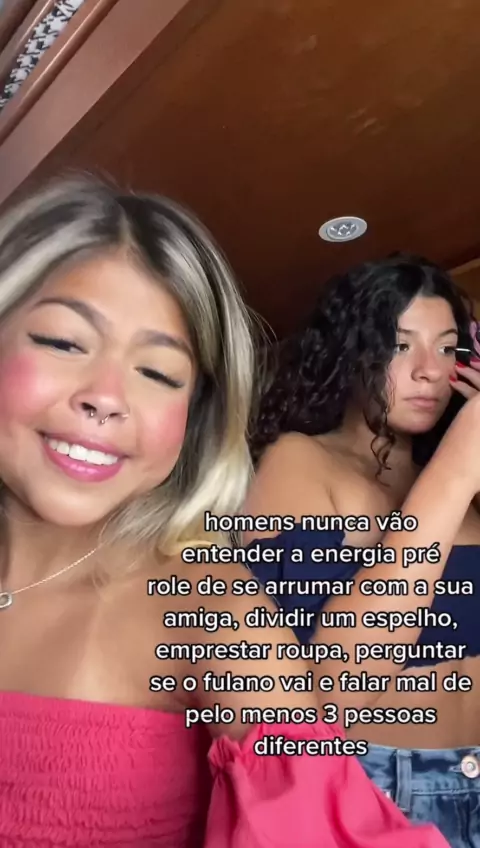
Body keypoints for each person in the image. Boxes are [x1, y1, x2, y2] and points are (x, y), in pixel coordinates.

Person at [0, 183, 447, 847]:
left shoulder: (209, 601)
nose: (106, 397)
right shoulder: (302, 460)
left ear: (195, 416)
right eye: (64, 342)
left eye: (159, 373)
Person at [244, 253, 480, 847]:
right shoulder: (299, 461)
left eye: (447, 348)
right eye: (400, 345)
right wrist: (458, 467)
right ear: (350, 354)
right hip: (393, 792)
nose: (429, 371)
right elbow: (334, 691)